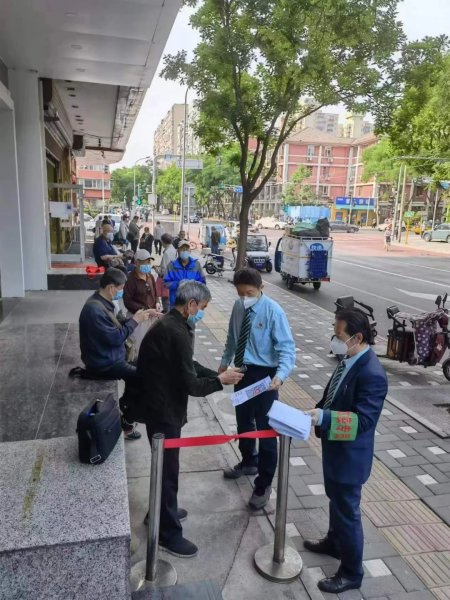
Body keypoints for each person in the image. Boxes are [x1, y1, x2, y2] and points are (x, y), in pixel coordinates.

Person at [137, 281, 244, 557]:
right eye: (202, 308)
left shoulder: (172, 324)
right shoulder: (176, 331)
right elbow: (191, 385)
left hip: (159, 405)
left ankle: (160, 512)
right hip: (163, 411)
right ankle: (167, 534)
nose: (202, 313)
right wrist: (219, 382)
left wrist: (216, 374)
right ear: (191, 305)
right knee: (167, 471)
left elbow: (189, 365)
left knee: (164, 468)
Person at [303, 308, 388, 594]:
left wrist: (324, 418)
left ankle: (352, 572)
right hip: (336, 450)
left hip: (350, 458)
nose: (335, 341)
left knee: (347, 511)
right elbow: (332, 394)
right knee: (336, 502)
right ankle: (335, 543)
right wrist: (317, 410)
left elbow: (364, 422)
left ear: (358, 337)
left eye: (339, 336)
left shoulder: (372, 374)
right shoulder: (349, 360)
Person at [220, 268, 296, 509]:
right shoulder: (238, 306)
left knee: (266, 431)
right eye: (240, 293)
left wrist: (280, 376)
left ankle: (263, 484)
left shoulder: (274, 311)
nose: (245, 298)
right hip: (242, 372)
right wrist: (224, 362)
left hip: (266, 377)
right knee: (243, 422)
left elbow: (287, 349)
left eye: (250, 293)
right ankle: (248, 461)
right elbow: (232, 337)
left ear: (261, 288)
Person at [78, 268, 151, 440]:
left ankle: (126, 407)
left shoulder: (102, 302)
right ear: (112, 288)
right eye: (121, 288)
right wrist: (135, 321)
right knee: (145, 379)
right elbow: (116, 338)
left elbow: (117, 323)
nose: (122, 292)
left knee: (144, 365)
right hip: (104, 363)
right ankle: (127, 421)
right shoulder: (94, 310)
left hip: (111, 356)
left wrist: (142, 315)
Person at [123, 249, 162, 353]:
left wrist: (157, 302)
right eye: (145, 262)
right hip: (138, 318)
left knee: (152, 346)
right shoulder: (130, 279)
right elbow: (127, 301)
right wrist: (145, 310)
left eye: (149, 262)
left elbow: (155, 293)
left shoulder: (150, 276)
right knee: (138, 348)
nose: (147, 265)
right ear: (137, 263)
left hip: (152, 316)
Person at [164, 241, 206, 308]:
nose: (185, 251)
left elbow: (202, 283)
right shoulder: (171, 266)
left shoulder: (196, 265)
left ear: (190, 251)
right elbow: (166, 283)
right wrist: (178, 284)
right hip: (176, 304)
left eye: (186, 249)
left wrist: (193, 285)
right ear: (178, 251)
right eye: (182, 249)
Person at [158, 233, 177, 313]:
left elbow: (164, 269)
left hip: (167, 278)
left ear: (163, 241)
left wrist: (158, 271)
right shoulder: (174, 250)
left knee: (165, 298)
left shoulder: (167, 252)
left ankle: (166, 313)